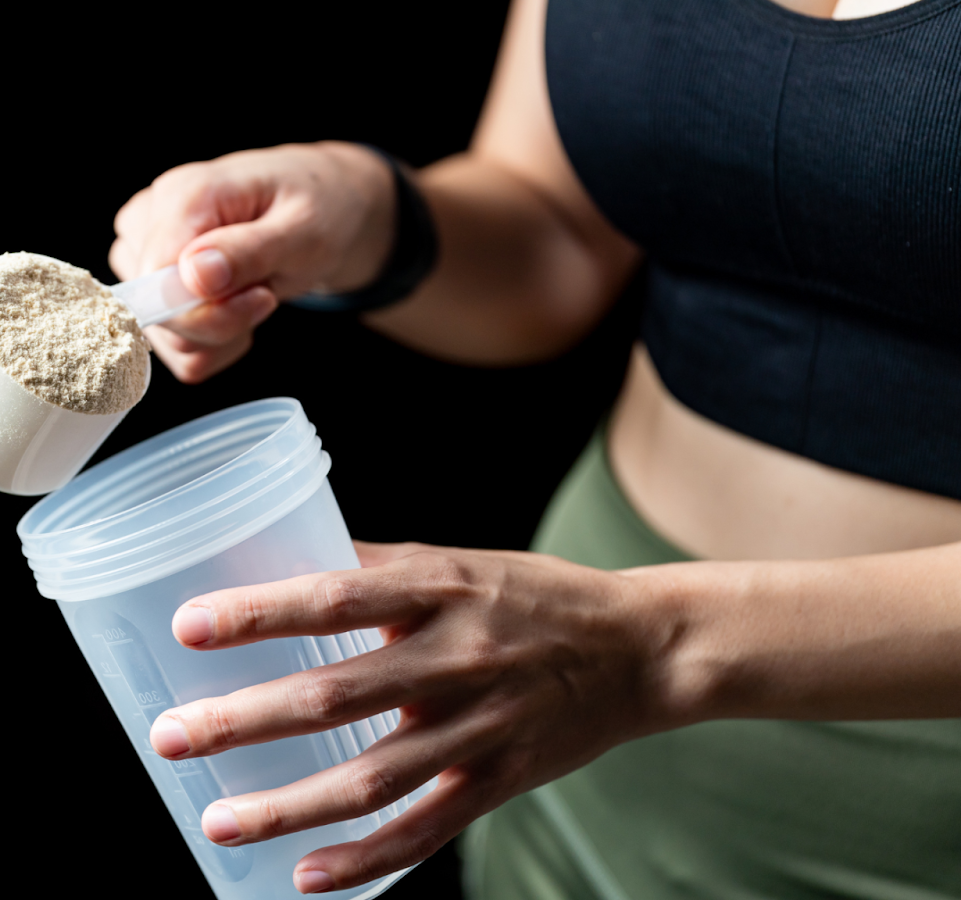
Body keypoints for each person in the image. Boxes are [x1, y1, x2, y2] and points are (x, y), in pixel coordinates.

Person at [107, 0, 961, 896]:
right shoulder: (584, 659)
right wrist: (369, 218)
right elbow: (557, 231)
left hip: (903, 770)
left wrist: (657, 649)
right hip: (576, 691)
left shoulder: (627, 652)